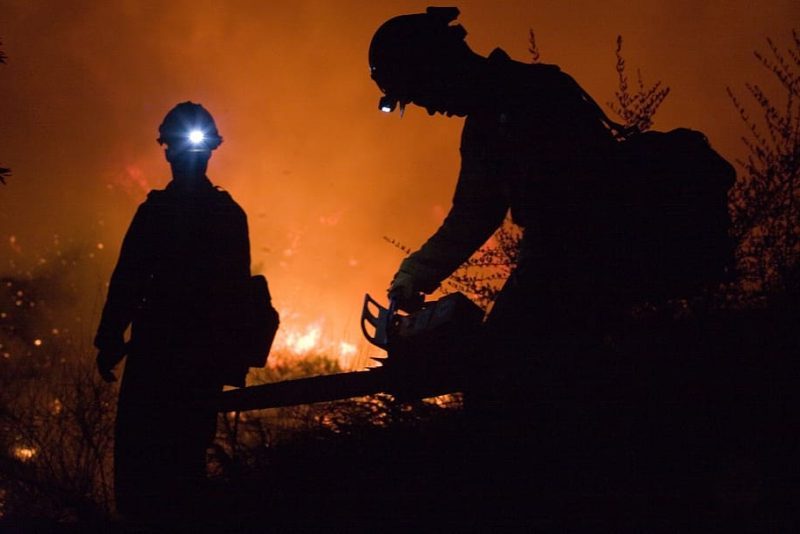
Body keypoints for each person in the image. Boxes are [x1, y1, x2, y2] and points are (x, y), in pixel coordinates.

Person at [369, 7, 630, 521]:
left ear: (438, 65)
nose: (429, 108)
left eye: (421, 92)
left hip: (580, 259)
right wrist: (416, 272)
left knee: (506, 387)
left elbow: (589, 199)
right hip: (560, 259)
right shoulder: (491, 118)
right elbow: (474, 213)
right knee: (522, 387)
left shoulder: (535, 94)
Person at [94, 102, 251, 521]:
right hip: (191, 359)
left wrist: (110, 339)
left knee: (146, 462)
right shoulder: (224, 215)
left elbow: (128, 281)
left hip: (161, 355)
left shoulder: (159, 213)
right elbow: (129, 280)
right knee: (182, 462)